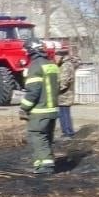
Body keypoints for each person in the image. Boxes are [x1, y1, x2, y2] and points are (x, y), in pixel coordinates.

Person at [18, 40, 59, 176]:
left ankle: (45, 166)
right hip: (52, 110)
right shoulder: (51, 64)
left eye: (26, 50)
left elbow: (33, 91)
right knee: (46, 138)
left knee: (38, 136)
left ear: (30, 50)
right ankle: (42, 163)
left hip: (39, 111)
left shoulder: (35, 66)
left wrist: (24, 107)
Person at [56, 47, 76, 138]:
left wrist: (55, 90)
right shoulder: (64, 64)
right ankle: (66, 132)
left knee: (64, 114)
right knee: (63, 114)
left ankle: (68, 133)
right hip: (63, 95)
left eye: (56, 56)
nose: (55, 58)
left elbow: (64, 82)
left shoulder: (66, 66)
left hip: (65, 95)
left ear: (62, 56)